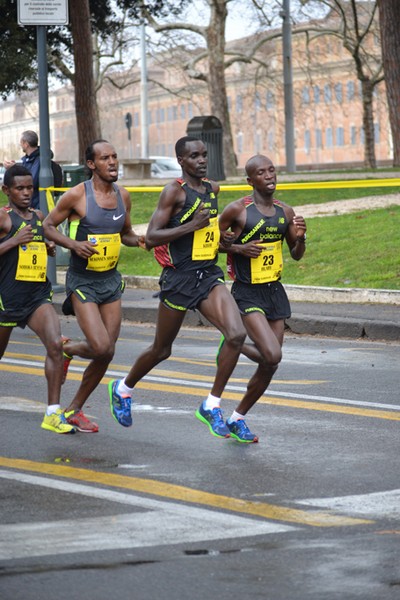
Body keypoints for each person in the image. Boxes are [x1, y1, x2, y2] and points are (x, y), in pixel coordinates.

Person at [108, 136, 246, 438]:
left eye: (204, 155)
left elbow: (208, 231)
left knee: (236, 334)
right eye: (194, 156)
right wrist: (190, 226)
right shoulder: (173, 192)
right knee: (162, 349)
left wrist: (224, 241)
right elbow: (153, 236)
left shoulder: (213, 189)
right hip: (179, 278)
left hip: (208, 274)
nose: (201, 160)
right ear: (181, 160)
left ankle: (211, 405)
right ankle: (123, 387)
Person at [43, 139, 145, 433]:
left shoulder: (123, 196)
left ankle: (74, 410)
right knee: (99, 346)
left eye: (114, 156)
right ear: (91, 164)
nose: (112, 162)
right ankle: (67, 350)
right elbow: (48, 226)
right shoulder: (77, 195)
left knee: (107, 352)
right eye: (105, 158)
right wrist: (74, 245)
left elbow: (124, 233)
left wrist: (137, 240)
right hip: (83, 281)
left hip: (110, 281)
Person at [217, 154, 307, 442]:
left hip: (274, 291)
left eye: (272, 170)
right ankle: (235, 340)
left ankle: (238, 417)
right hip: (247, 291)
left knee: (270, 364)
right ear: (250, 180)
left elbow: (296, 254)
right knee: (273, 353)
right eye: (261, 172)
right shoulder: (237, 210)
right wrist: (239, 250)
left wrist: (301, 237)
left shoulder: (285, 212)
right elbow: (212, 243)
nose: (269, 175)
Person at [0, 164, 75, 434]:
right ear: (6, 190)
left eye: (29, 187)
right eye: (19, 188)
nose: (26, 193)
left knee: (56, 345)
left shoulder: (38, 215)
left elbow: (37, 242)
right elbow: (13, 245)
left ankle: (52, 414)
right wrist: (12, 241)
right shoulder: (3, 218)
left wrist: (47, 246)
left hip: (36, 296)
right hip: (6, 298)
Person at [3, 130, 63, 209]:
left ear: (26, 144)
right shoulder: (28, 160)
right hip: (31, 204)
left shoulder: (40, 160)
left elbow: (30, 180)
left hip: (37, 205)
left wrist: (14, 168)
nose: (20, 145)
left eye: (21, 142)